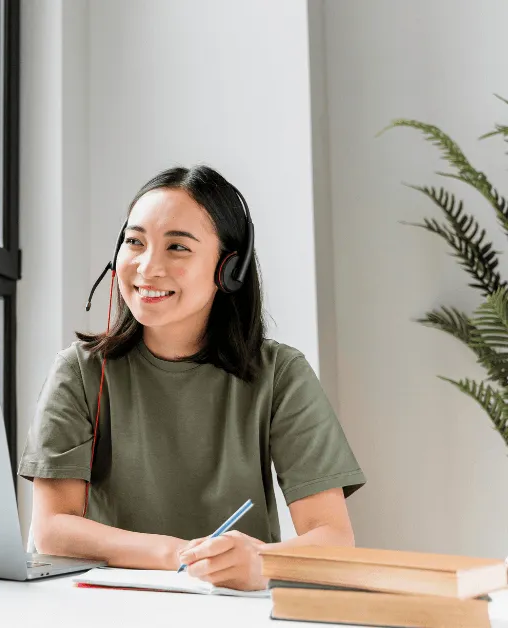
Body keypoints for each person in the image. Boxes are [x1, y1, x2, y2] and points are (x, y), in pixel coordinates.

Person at [18, 165, 365, 592]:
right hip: (108, 606)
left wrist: (264, 563)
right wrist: (180, 555)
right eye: (135, 242)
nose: (147, 267)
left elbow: (334, 537)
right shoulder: (79, 370)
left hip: (233, 607)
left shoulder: (281, 374)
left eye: (177, 247)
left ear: (229, 269)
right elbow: (53, 528)